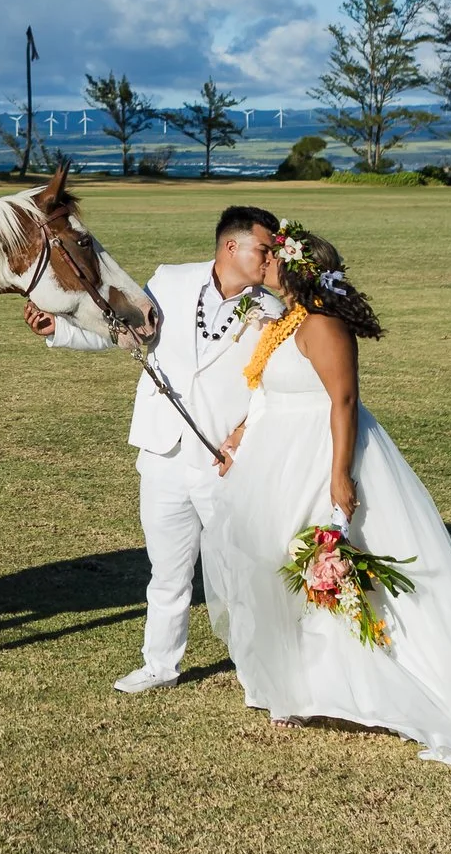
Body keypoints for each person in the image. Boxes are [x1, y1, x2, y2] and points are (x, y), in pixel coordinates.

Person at [208, 223, 451, 770]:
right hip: (279, 458)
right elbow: (266, 388)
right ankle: (298, 684)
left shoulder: (324, 324)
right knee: (278, 564)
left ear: (296, 268)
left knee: (333, 564)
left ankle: (367, 686)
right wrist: (240, 437)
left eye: (272, 257)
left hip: (321, 455)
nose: (262, 262)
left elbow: (344, 400)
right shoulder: (286, 320)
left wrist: (340, 475)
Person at [34, 205, 282, 693]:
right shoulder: (169, 281)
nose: (271, 257)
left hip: (224, 462)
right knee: (167, 571)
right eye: (264, 247)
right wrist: (58, 331)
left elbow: (273, 390)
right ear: (231, 246)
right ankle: (159, 665)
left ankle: (259, 671)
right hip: (162, 451)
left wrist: (241, 439)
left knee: (238, 572)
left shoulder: (272, 311)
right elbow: (124, 333)